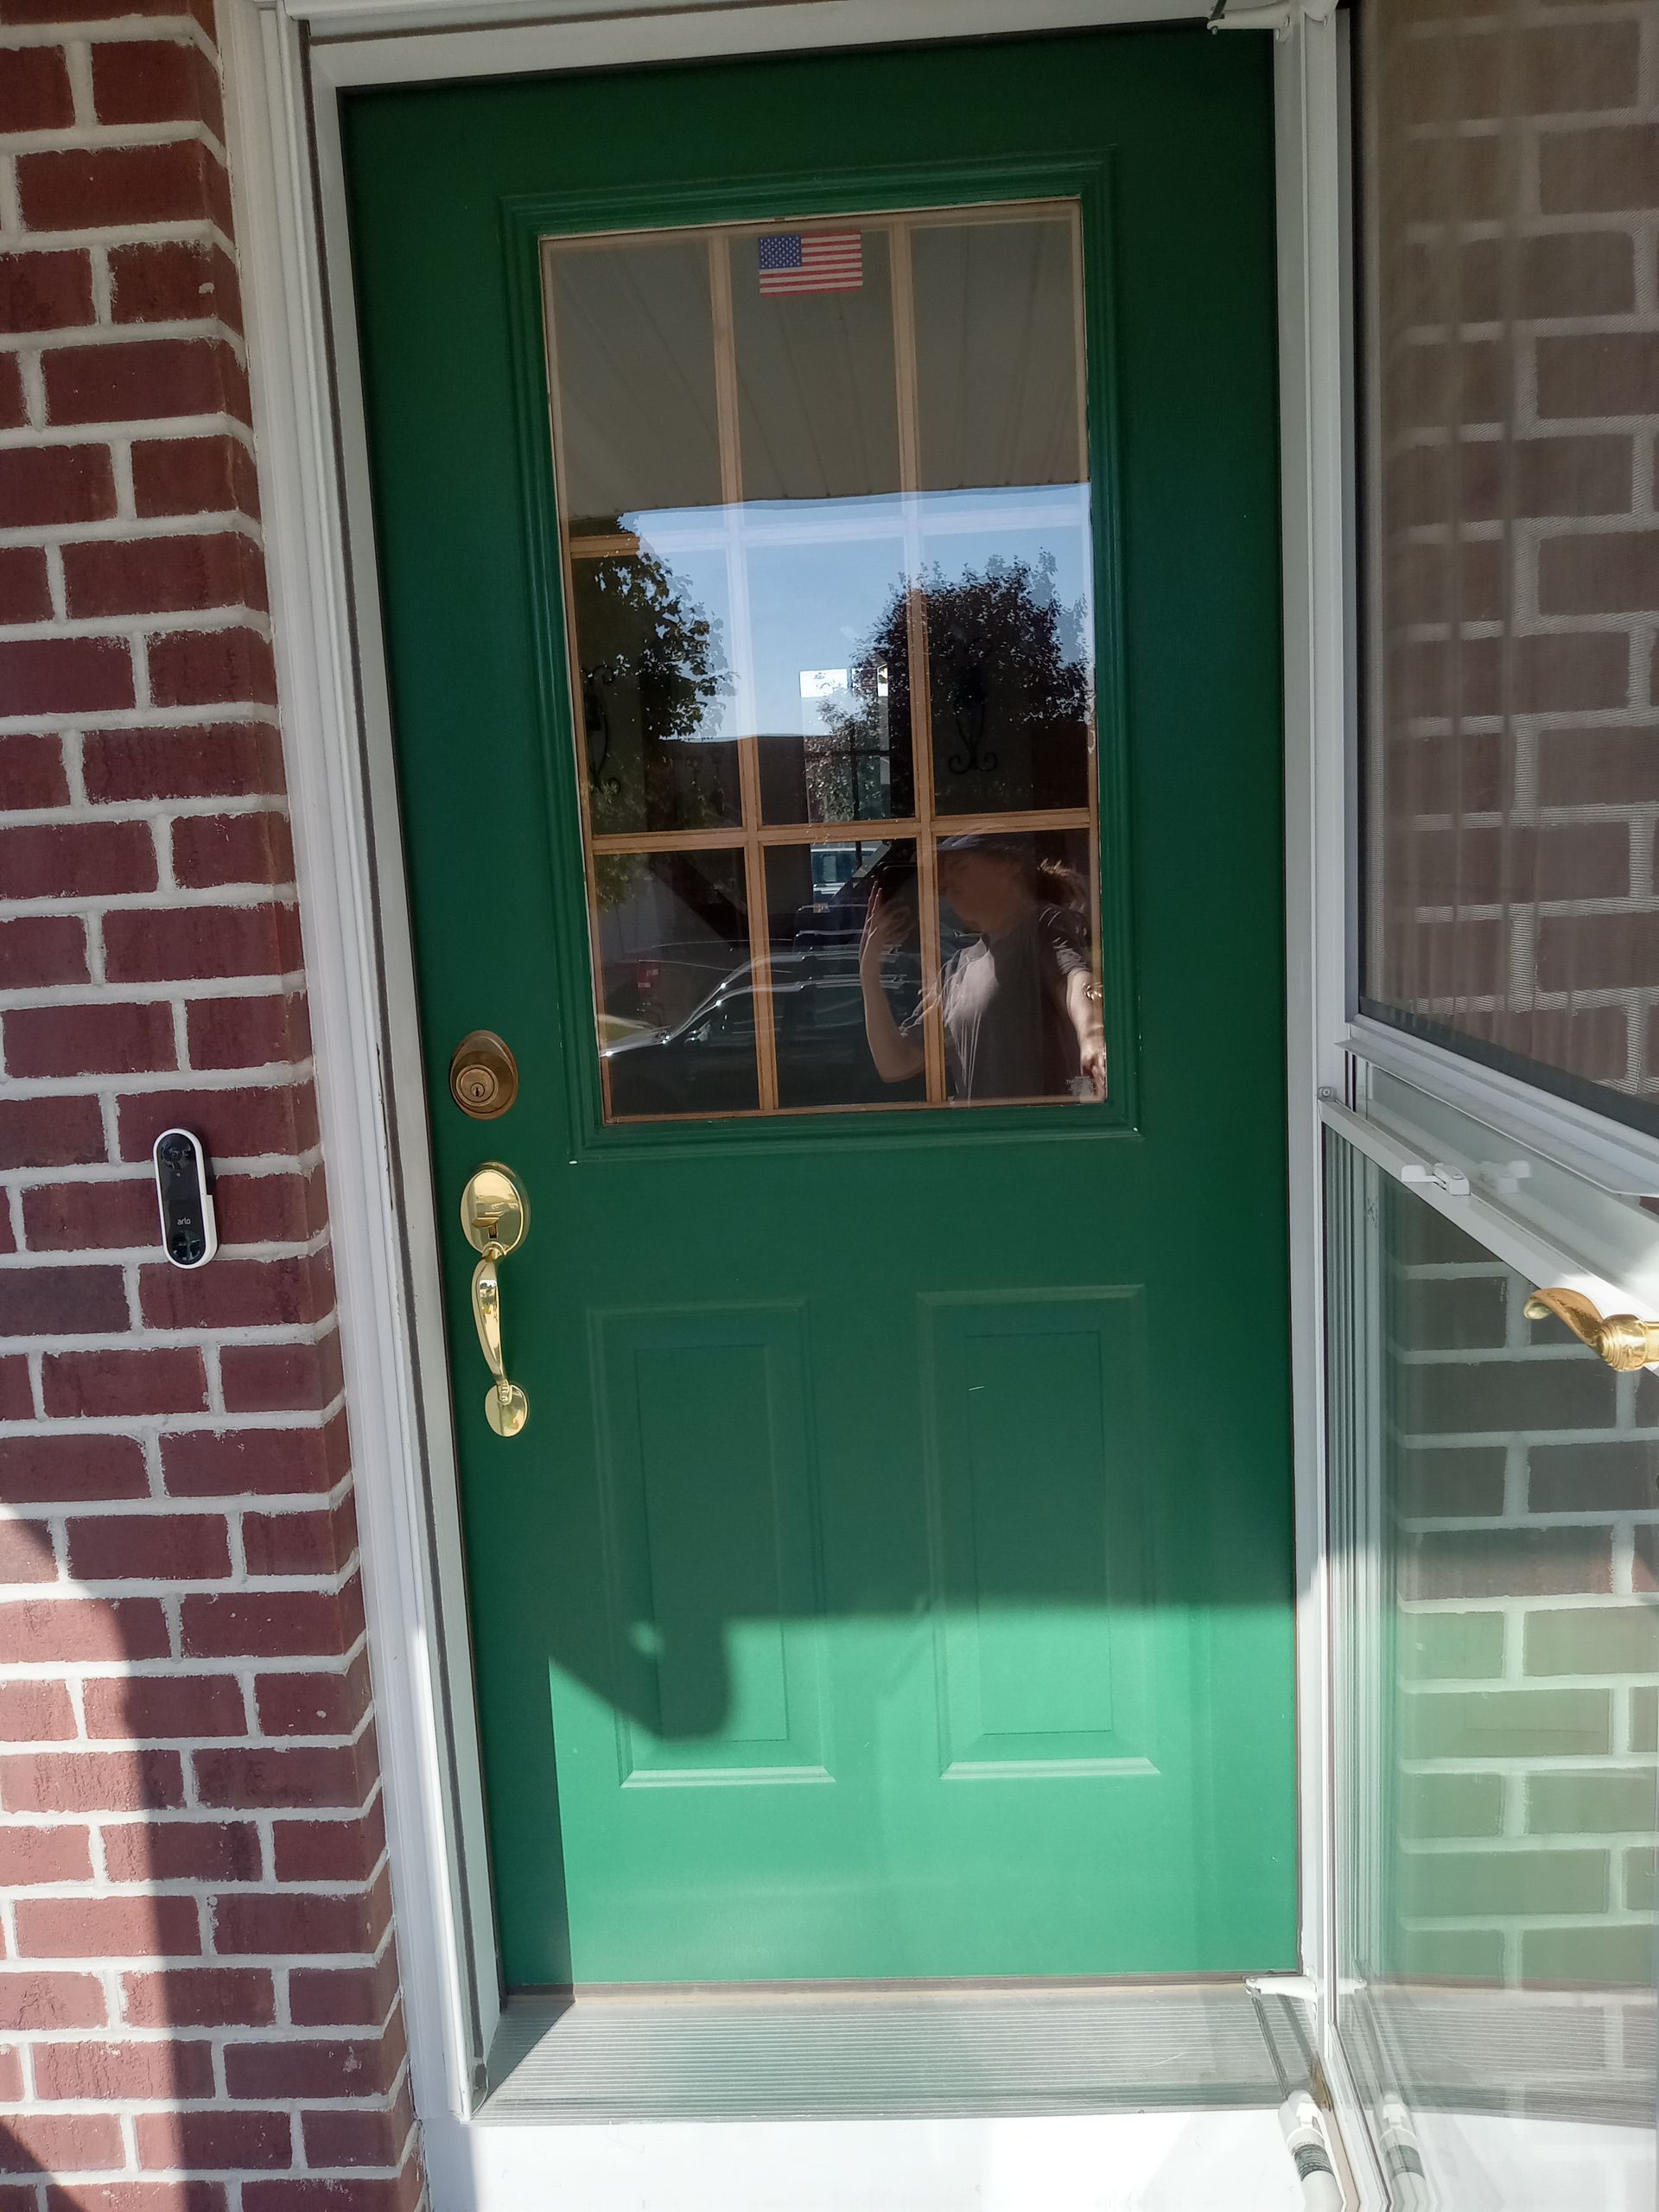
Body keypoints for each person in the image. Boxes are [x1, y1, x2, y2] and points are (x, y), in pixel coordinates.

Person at [858, 835, 1107, 1102]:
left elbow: (1073, 979)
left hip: (1045, 1135)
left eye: (959, 867)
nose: (944, 885)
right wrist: (869, 975)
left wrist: (1092, 1035)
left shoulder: (1043, 925)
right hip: (984, 1138)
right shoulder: (956, 971)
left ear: (1008, 865)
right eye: (942, 875)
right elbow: (896, 1063)